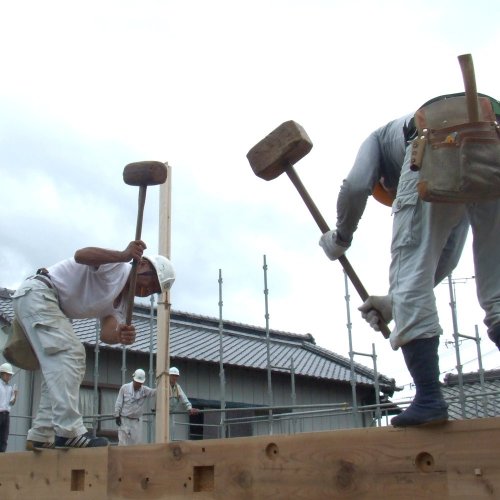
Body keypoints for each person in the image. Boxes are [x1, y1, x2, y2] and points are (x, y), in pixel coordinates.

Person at [325, 93, 500, 428]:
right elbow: (443, 259)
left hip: (436, 138)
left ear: (386, 182)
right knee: (497, 289)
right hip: (494, 136)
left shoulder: (378, 139)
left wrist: (340, 238)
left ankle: (429, 400)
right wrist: (393, 303)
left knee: (407, 276)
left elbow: (356, 184)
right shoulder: (453, 188)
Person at [11, 240, 175, 449]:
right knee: (71, 354)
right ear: (142, 264)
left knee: (58, 369)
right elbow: (81, 255)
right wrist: (123, 255)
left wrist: (119, 334)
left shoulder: (123, 303)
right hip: (39, 293)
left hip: (46, 302)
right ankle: (69, 431)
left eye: (153, 291)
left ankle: (42, 434)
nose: (146, 290)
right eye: (150, 282)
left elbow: (107, 332)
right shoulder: (119, 266)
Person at [114, 368, 156, 446]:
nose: (138, 384)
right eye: (137, 382)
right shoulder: (125, 388)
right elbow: (119, 402)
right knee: (123, 443)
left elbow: (154, 392)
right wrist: (117, 415)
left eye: (140, 383)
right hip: (124, 419)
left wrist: (160, 382)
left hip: (137, 421)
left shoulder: (144, 390)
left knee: (136, 444)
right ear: (133, 379)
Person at [169, 366, 199, 439]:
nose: (174, 378)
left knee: (170, 433)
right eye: (173, 376)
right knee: (160, 433)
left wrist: (189, 408)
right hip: (160, 413)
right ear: (168, 376)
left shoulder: (177, 387)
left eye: (176, 376)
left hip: (170, 413)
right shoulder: (163, 386)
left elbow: (183, 398)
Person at [0, 362, 18, 452]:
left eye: (10, 375)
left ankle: (2, 457)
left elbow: (11, 403)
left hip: (6, 414)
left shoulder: (10, 388)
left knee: (4, 437)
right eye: (7, 374)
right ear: (2, 374)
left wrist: (15, 394)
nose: (9, 376)